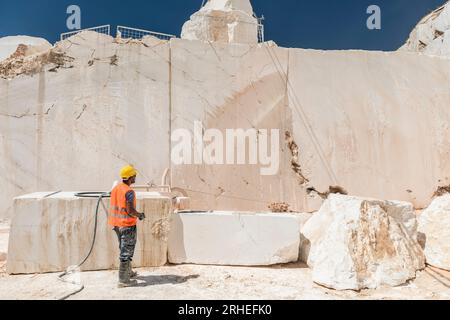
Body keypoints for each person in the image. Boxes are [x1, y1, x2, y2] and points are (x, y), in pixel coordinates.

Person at [109, 165, 146, 288]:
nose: (135, 177)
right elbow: (130, 211)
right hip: (127, 225)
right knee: (126, 252)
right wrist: (140, 215)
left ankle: (128, 272)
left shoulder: (116, 188)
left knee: (124, 248)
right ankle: (123, 280)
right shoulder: (128, 191)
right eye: (134, 175)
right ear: (130, 177)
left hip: (116, 225)